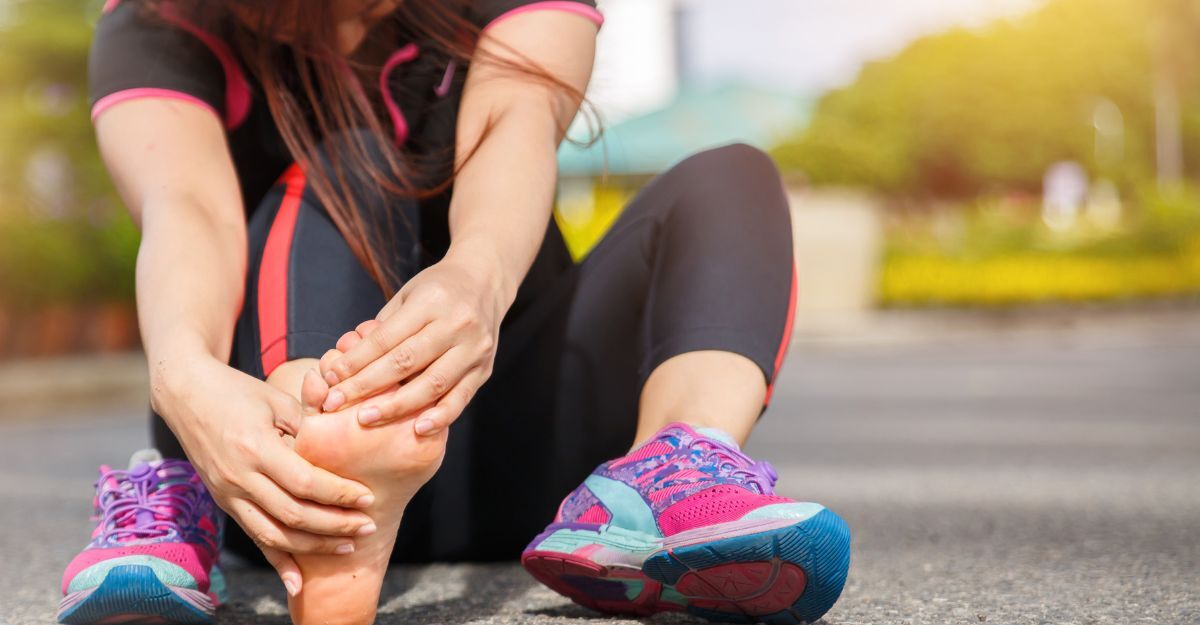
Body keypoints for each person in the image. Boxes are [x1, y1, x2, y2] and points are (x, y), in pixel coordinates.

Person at [57, 1, 851, 624]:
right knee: (344, 158)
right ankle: (319, 467)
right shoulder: (159, 22)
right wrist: (182, 377)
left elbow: (515, 120)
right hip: (266, 476)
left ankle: (668, 476)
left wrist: (476, 277)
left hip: (527, 454)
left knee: (733, 178)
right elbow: (188, 210)